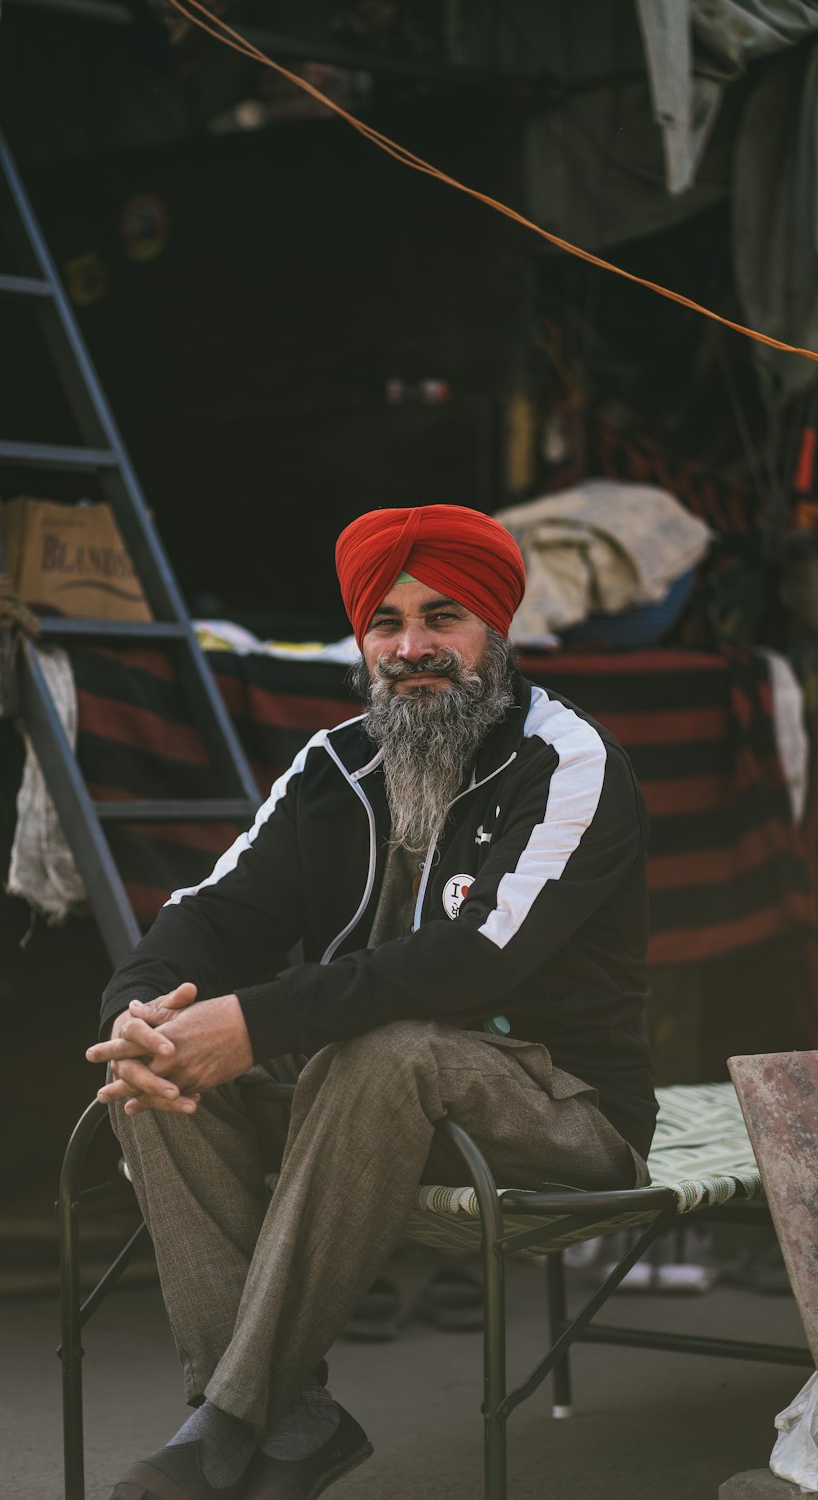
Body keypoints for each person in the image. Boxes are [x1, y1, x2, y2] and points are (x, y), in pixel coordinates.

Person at [87, 502, 658, 1500]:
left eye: (443, 619)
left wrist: (258, 1022)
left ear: (496, 629)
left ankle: (225, 1419)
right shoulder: (331, 765)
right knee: (159, 1065)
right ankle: (291, 1417)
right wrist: (137, 1012)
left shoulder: (570, 763)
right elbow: (208, 916)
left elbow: (475, 963)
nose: (411, 648)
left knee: (385, 1051)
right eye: (385, 625)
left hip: (560, 1111)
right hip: (356, 1113)